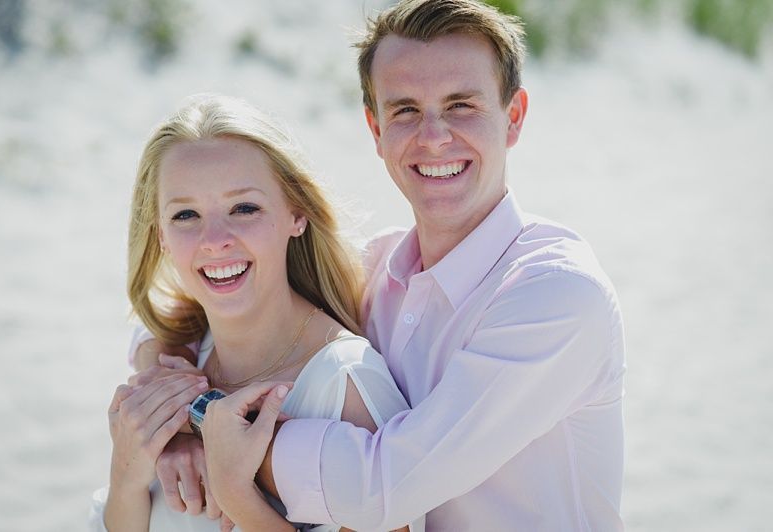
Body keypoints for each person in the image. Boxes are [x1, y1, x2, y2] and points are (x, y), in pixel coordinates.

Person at [137, 0, 626, 530]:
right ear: (375, 129)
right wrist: (170, 423)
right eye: (405, 110)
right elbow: (206, 323)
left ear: (514, 117)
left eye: (461, 105)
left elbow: (382, 488)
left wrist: (211, 427)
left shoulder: (555, 295)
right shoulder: (373, 268)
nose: (434, 136)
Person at [89, 94, 423, 531]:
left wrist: (238, 495)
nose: (214, 239)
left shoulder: (345, 386)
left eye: (244, 208)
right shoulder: (185, 352)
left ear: (296, 214)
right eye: (186, 214)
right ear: (162, 237)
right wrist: (127, 480)